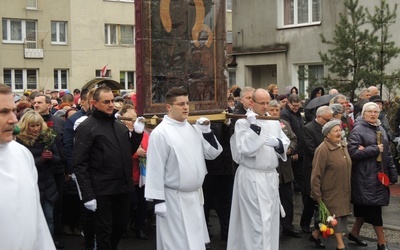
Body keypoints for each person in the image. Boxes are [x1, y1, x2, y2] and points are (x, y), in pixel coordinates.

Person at [144, 87, 222, 249]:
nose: (186, 107)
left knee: (194, 243)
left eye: (187, 103)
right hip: (173, 197)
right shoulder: (161, 133)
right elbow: (155, 168)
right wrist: (158, 201)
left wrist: (207, 132)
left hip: (194, 197)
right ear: (169, 107)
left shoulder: (192, 128)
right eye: (180, 104)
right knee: (177, 243)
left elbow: (212, 154)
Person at [73, 86, 144, 250]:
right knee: (104, 232)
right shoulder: (86, 127)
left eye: (112, 101)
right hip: (101, 190)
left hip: (122, 189)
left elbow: (127, 153)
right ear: (94, 103)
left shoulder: (120, 126)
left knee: (120, 227)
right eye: (106, 102)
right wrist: (87, 195)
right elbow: (79, 163)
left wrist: (138, 135)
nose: (111, 104)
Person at [228, 88, 289, 250]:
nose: (265, 106)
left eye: (267, 102)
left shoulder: (273, 120)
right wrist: (254, 127)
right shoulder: (243, 122)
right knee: (257, 222)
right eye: (261, 103)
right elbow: (244, 149)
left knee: (269, 221)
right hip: (252, 177)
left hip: (269, 177)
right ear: (252, 102)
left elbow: (285, 141)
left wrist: (279, 144)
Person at [0, 83, 55, 250]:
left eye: (13, 110)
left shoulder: (22, 154)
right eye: (3, 112)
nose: (14, 119)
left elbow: (36, 220)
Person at [348, 102, 398, 250]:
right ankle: (381, 242)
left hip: (379, 175)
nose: (373, 114)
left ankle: (354, 233)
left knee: (366, 208)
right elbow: (353, 153)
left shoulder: (380, 128)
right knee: (374, 209)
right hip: (364, 176)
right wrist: (373, 149)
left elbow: (387, 153)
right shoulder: (358, 130)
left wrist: (392, 172)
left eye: (375, 111)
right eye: (369, 111)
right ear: (363, 113)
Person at [16, 110, 62, 243]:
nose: (36, 129)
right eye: (32, 126)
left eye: (38, 125)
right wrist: (40, 160)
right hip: (30, 186)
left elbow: (59, 159)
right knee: (31, 220)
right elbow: (21, 166)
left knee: (49, 218)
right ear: (26, 125)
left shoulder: (47, 138)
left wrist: (51, 157)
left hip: (48, 184)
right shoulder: (19, 142)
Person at [310, 120, 352, 250]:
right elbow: (316, 174)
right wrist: (317, 194)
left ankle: (315, 235)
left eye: (340, 130)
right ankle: (340, 245)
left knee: (330, 218)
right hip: (329, 191)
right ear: (327, 135)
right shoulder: (322, 149)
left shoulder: (343, 145)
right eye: (336, 131)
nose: (339, 133)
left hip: (343, 189)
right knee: (335, 217)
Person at [267, 100, 299, 238]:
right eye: (272, 110)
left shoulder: (284, 124)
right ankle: (270, 227)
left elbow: (294, 138)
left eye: (277, 110)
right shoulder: (263, 124)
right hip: (269, 167)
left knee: (287, 199)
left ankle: (287, 226)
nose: (274, 113)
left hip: (285, 169)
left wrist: (290, 149)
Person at [300, 106, 333, 241]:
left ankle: (322, 225)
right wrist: (327, 157)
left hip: (328, 167)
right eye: (327, 119)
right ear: (319, 117)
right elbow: (310, 149)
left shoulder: (328, 127)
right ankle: (305, 223)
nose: (328, 122)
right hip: (313, 166)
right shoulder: (309, 128)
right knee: (312, 197)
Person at [280, 94, 305, 195]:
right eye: (293, 105)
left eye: (297, 105)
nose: (295, 108)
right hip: (294, 150)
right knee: (297, 175)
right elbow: (288, 133)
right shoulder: (285, 114)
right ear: (288, 103)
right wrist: (294, 150)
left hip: (299, 147)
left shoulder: (298, 113)